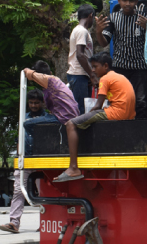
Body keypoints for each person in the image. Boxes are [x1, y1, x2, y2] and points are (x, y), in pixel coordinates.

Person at [0, 62, 80, 233]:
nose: (34, 105)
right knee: (18, 189)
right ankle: (14, 222)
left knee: (46, 189)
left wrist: (28, 72)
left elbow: (30, 74)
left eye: (37, 103)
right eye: (32, 103)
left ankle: (46, 221)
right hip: (27, 155)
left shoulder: (50, 82)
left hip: (43, 153)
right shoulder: (26, 117)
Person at [55, 53, 135, 183]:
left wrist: (84, 116)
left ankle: (73, 167)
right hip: (127, 115)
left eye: (95, 67)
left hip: (116, 113)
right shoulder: (119, 76)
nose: (92, 70)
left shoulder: (105, 78)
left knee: (71, 124)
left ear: (105, 66)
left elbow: (97, 106)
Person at [96, 0, 147, 118]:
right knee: (118, 102)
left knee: (141, 102)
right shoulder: (113, 18)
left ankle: (141, 134)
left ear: (136, 1)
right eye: (124, 0)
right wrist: (98, 32)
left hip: (140, 68)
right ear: (119, 0)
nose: (128, 4)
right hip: (120, 68)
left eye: (131, 1)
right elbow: (104, 43)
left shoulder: (144, 17)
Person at [68, 4, 98, 115]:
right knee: (81, 111)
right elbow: (80, 55)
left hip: (82, 75)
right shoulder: (82, 31)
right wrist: (92, 75)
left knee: (84, 109)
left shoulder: (79, 30)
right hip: (79, 75)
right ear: (91, 16)